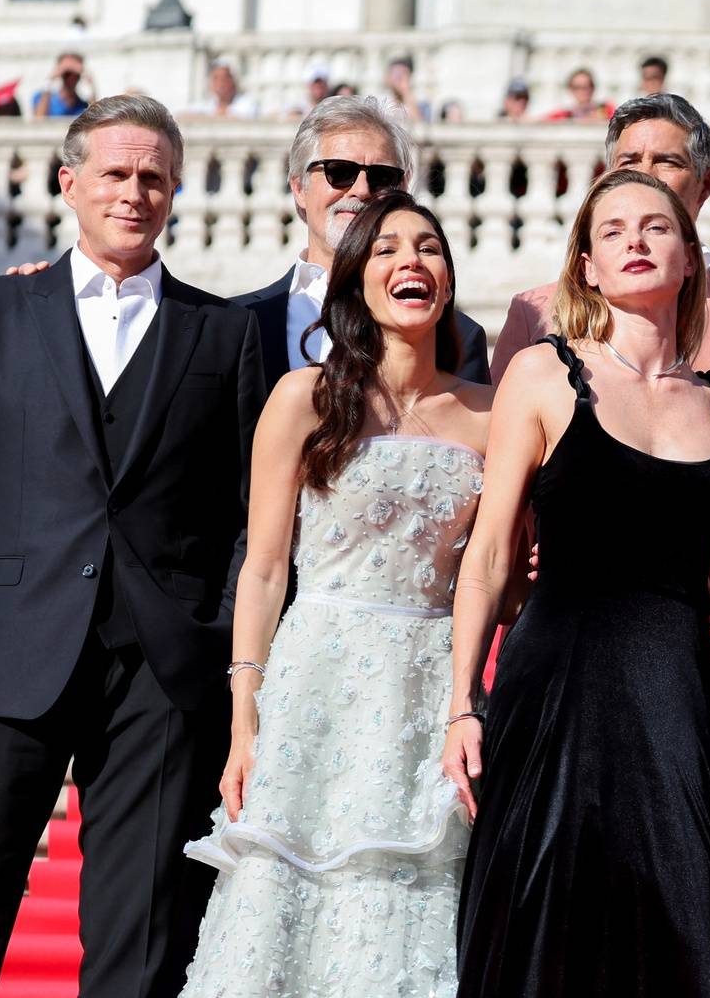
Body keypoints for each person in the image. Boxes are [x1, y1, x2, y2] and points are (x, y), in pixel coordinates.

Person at [0, 94, 266, 997]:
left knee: (142, 955)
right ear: (70, 183)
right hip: (0, 659)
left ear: (175, 191)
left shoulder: (225, 331)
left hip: (165, 678)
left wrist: (214, 636)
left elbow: (254, 511)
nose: (135, 193)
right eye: (116, 173)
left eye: (154, 178)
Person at [444, 169, 710, 996]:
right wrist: (461, 704)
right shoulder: (545, 375)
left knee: (680, 911)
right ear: (586, 264)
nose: (636, 242)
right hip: (555, 683)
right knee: (540, 914)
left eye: (656, 227)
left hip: (674, 692)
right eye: (613, 230)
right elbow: (489, 556)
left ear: (690, 255)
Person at [179, 191, 490, 996]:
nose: (410, 261)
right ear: (355, 281)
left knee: (402, 898)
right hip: (312, 677)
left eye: (428, 247)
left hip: (426, 686)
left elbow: (496, 570)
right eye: (386, 249)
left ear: (448, 280)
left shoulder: (490, 413)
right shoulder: (301, 398)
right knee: (279, 894)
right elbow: (263, 568)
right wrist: (245, 711)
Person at [493, 94, 710, 411]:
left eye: (667, 161)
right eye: (629, 162)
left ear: (705, 186)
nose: (645, 175)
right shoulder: (533, 315)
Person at [231, 97, 492, 390]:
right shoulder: (233, 325)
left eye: (381, 177)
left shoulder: (460, 337)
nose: (361, 190)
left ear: (403, 190)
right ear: (299, 188)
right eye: (339, 172)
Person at [182, 57, 260, 119]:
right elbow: (182, 115)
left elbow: (246, 117)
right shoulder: (207, 104)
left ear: (234, 80)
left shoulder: (248, 103)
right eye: (215, 78)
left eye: (224, 78)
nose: (220, 84)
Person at [31, 51, 92, 118]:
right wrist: (50, 80)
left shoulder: (83, 106)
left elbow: (95, 117)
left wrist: (89, 80)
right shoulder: (41, 97)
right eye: (67, 74)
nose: (71, 77)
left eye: (75, 74)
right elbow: (38, 119)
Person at [544, 67, 614, 122]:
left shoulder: (605, 109)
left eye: (586, 86)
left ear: (593, 88)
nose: (582, 91)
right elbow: (541, 121)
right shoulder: (566, 114)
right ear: (570, 89)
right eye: (577, 87)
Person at [383, 56, 430, 123]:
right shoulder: (380, 100)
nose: (397, 79)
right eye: (394, 74)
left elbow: (419, 123)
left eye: (402, 75)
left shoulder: (422, 102)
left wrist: (406, 92)